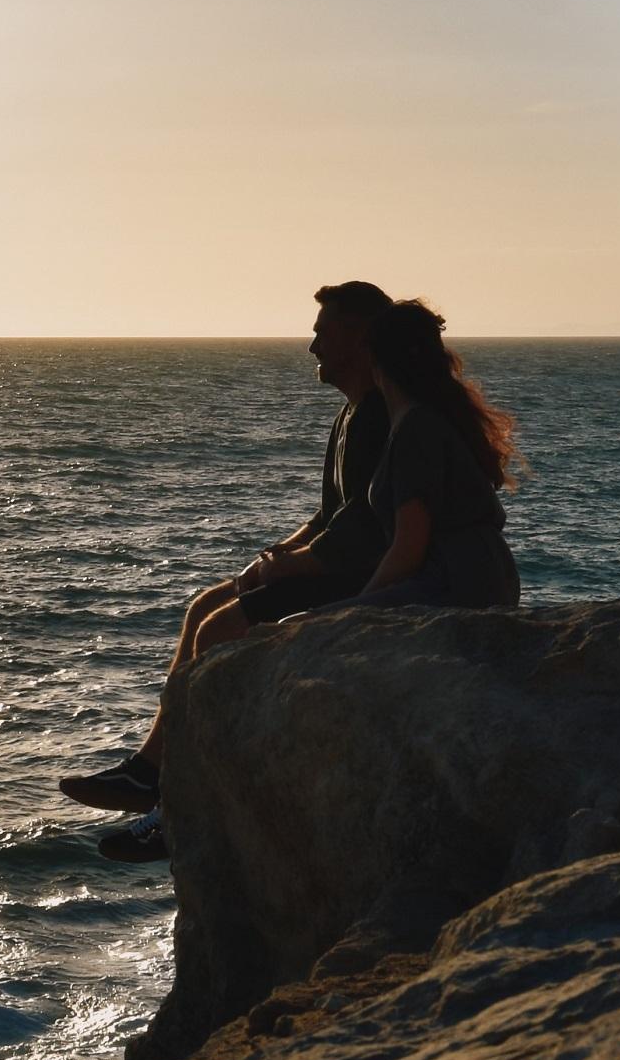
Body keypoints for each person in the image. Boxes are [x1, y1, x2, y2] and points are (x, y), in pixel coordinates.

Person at [63, 280, 395, 862]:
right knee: (203, 608)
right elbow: (329, 513)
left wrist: (291, 568)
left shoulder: (378, 418)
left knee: (220, 629)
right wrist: (273, 557)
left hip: (358, 579)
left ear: (358, 337)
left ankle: (177, 803)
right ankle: (149, 769)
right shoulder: (350, 416)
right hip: (335, 564)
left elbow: (365, 529)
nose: (312, 346)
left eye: (323, 331)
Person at [348, 299, 522, 608]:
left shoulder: (416, 429)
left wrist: (357, 606)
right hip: (482, 574)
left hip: (455, 580)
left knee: (298, 628)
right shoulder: (425, 420)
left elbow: (409, 548)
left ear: (375, 361)